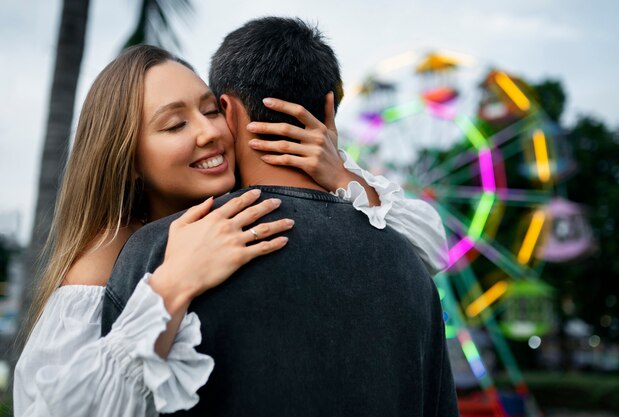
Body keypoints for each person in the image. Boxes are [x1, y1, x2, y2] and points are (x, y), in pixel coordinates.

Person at [14, 44, 447, 417]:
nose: (209, 134)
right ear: (127, 161)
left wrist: (341, 174)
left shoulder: (250, 209)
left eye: (210, 110)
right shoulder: (108, 260)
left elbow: (427, 248)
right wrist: (172, 283)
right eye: (174, 125)